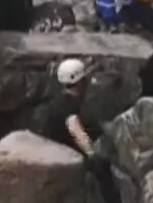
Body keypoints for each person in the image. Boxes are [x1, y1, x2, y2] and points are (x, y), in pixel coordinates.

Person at [38, 58, 121, 203]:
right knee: (103, 168)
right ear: (80, 82)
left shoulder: (57, 101)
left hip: (52, 151)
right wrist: (92, 154)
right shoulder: (68, 104)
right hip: (63, 156)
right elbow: (74, 128)